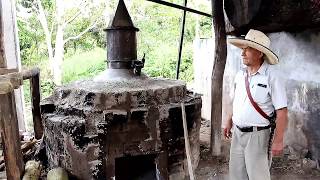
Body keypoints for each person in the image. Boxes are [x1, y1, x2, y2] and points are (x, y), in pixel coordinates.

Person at [224, 29, 288, 180]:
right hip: (238, 134)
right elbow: (237, 101)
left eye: (248, 49)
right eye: (243, 49)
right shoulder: (241, 75)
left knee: (258, 176)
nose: (243, 53)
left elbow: (282, 112)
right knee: (237, 175)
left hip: (258, 135)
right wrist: (228, 120)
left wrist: (278, 140)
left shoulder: (272, 76)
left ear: (260, 53)